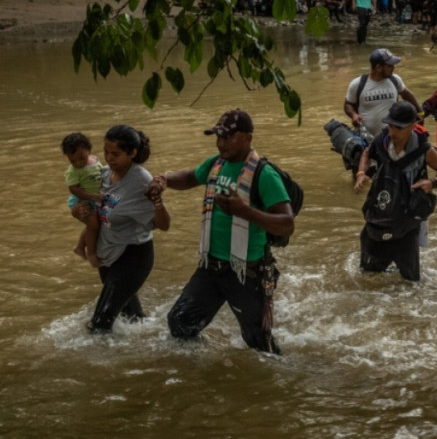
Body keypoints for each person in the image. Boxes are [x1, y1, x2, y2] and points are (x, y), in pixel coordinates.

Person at [151, 110, 294, 354]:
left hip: (245, 272)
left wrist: (245, 211)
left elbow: (287, 223)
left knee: (260, 345)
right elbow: (189, 177)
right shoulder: (216, 164)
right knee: (180, 322)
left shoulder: (264, 174)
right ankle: (200, 375)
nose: (220, 143)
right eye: (218, 136)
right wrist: (164, 180)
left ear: (247, 138)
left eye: (227, 137)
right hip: (211, 266)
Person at [72, 125, 170, 333]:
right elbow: (92, 213)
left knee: (98, 326)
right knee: (133, 320)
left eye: (115, 154)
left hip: (132, 257)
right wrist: (77, 211)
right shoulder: (103, 175)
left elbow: (163, 225)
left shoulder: (141, 181)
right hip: (107, 255)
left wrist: (157, 201)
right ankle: (150, 352)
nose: (109, 158)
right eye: (106, 152)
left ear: (132, 153)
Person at [354, 102, 437, 281]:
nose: (392, 132)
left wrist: (432, 182)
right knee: (368, 275)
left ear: (413, 126)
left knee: (411, 280)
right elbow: (367, 153)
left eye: (398, 127)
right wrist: (361, 173)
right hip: (381, 210)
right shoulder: (380, 142)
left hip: (408, 217)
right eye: (390, 125)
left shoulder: (424, 150)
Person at [344, 48, 421, 138]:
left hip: (391, 138)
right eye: (389, 66)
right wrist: (354, 115)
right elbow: (348, 104)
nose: (393, 68)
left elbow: (406, 95)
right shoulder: (357, 84)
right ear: (378, 67)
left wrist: (420, 112)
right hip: (366, 138)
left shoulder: (395, 80)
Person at [62, 132, 103, 267]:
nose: (78, 163)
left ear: (89, 151)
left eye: (82, 158)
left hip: (96, 198)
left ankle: (80, 247)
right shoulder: (73, 171)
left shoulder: (96, 161)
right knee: (94, 225)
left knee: (95, 225)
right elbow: (73, 189)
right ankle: (91, 253)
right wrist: (92, 197)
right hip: (81, 200)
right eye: (73, 161)